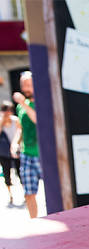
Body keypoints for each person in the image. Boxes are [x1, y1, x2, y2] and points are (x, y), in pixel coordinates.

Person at [11, 71, 40, 218]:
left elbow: (37, 120)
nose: (25, 89)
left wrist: (22, 102)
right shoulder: (20, 107)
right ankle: (34, 221)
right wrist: (15, 142)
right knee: (29, 192)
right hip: (26, 153)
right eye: (23, 85)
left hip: (42, 154)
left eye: (28, 85)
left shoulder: (40, 102)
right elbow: (20, 128)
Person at [1, 100, 20, 205]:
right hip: (4, 153)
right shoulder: (1, 121)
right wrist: (2, 120)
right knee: (7, 174)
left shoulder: (16, 120)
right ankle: (10, 195)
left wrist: (15, 144)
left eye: (9, 110)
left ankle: (25, 193)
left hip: (16, 151)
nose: (8, 113)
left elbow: (20, 132)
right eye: (6, 110)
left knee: (20, 172)